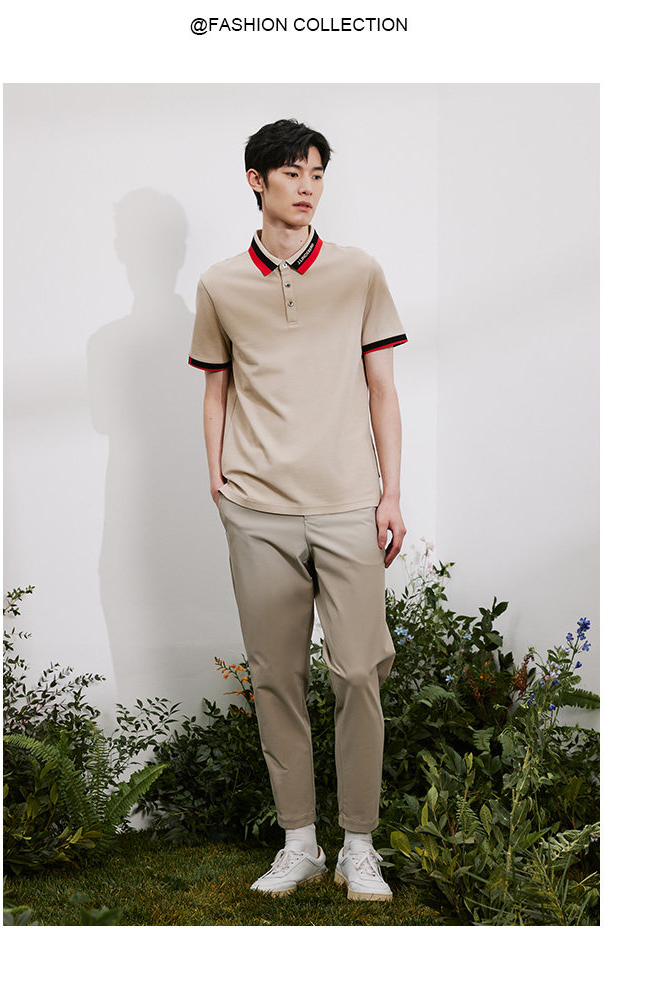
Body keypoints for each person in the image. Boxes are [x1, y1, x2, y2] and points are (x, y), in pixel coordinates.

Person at [188, 118, 408, 902]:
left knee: (359, 671)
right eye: (291, 173)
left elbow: (383, 389)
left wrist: (389, 492)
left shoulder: (359, 272)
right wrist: (220, 486)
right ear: (257, 180)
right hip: (258, 510)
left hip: (349, 504)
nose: (307, 186)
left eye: (316, 172)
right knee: (277, 676)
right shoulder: (220, 284)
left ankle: (359, 845)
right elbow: (216, 391)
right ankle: (300, 843)